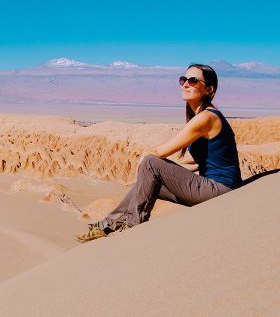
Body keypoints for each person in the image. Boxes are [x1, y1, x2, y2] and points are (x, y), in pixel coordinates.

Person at [76, 63, 243, 243]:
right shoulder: (200, 116)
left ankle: (132, 227)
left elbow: (161, 152)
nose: (185, 84)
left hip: (221, 190)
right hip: (213, 188)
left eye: (193, 80)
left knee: (150, 162)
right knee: (147, 184)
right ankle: (106, 226)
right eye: (183, 79)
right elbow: (197, 163)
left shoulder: (207, 117)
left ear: (209, 89)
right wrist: (148, 177)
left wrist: (146, 160)